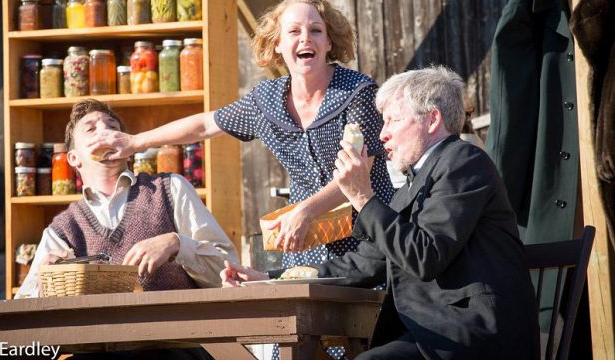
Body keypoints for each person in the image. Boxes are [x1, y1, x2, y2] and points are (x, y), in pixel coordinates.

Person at [223, 67, 541, 359]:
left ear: (432, 120)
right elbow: (364, 263)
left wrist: (363, 196)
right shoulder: (418, 181)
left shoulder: (464, 163)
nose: (382, 134)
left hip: (472, 335)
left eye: (393, 120)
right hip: (434, 335)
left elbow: (424, 256)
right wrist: (267, 279)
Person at [87, 0, 395, 270]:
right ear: (278, 44)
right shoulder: (266, 102)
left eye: (316, 30)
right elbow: (206, 125)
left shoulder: (357, 93)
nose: (306, 38)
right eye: (294, 31)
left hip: (370, 237)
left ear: (329, 43)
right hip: (305, 245)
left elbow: (359, 172)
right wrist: (136, 142)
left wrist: (304, 211)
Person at [16, 99, 238, 300]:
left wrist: (177, 244)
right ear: (73, 159)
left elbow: (229, 275)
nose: (105, 132)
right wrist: (45, 284)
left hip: (180, 342)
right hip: (100, 343)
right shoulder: (64, 229)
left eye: (112, 127)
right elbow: (24, 308)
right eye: (91, 129)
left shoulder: (170, 190)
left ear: (128, 148)